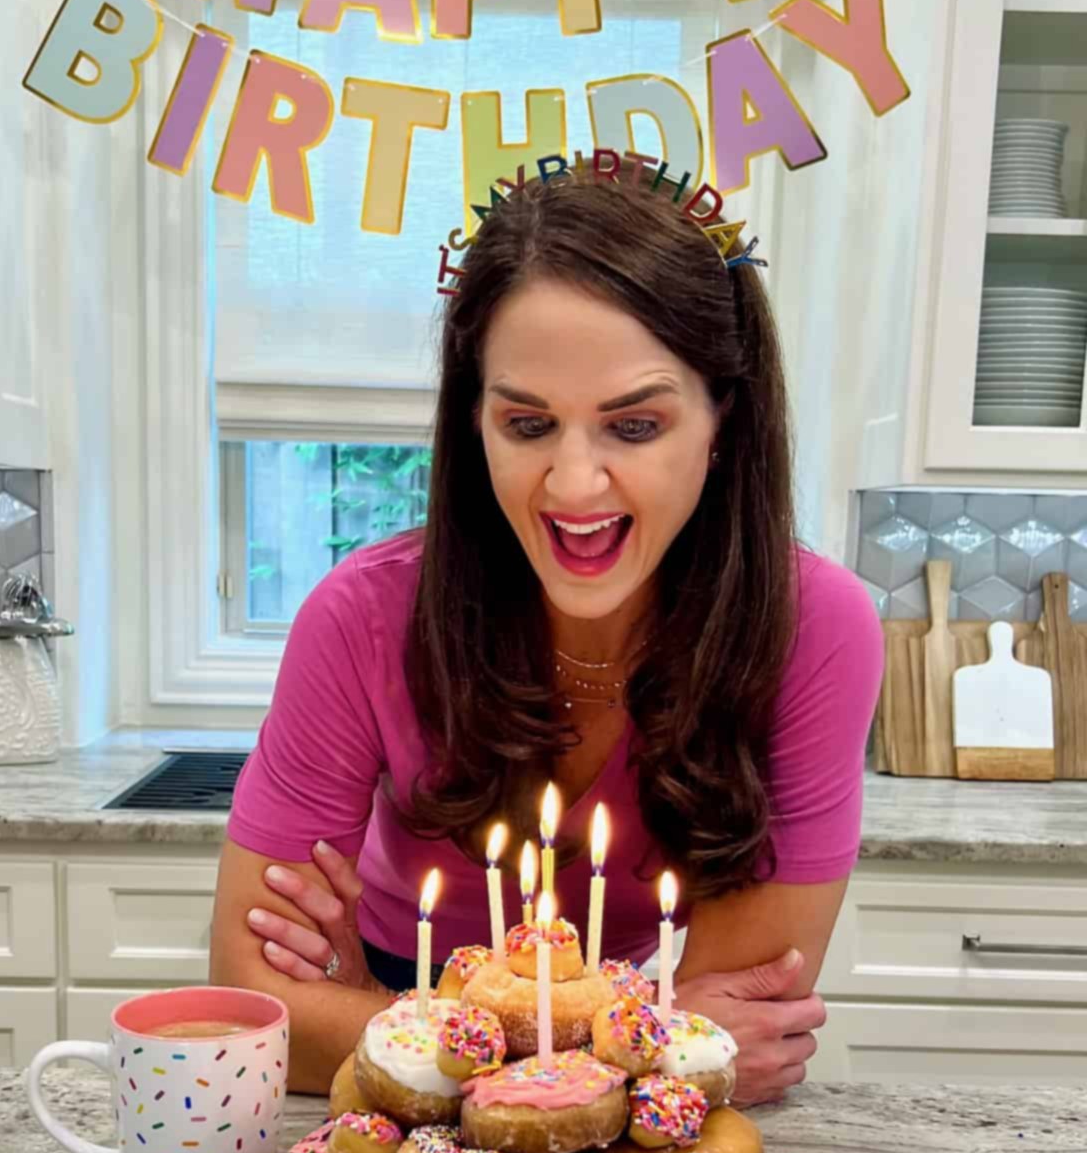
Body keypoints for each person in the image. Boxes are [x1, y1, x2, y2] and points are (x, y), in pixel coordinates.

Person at [210, 162, 883, 1102]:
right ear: (473, 418)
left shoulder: (817, 630)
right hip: (433, 996)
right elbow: (255, 1010)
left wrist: (389, 1041)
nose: (574, 486)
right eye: (528, 423)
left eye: (635, 427)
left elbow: (751, 1010)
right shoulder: (363, 614)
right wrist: (644, 1050)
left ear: (723, 417)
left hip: (417, 1022)